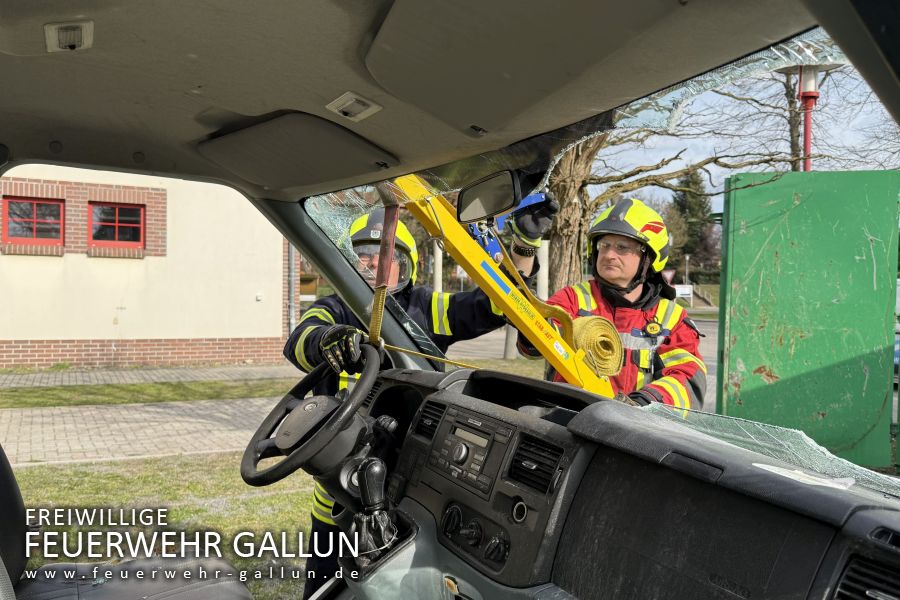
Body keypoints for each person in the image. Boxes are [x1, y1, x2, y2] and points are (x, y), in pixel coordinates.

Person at [285, 197, 558, 599]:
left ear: (408, 265)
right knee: (327, 587)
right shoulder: (334, 309)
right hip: (339, 492)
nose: (372, 266)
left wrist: (522, 249)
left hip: (413, 479)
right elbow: (299, 340)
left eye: (384, 256)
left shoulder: (424, 307)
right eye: (362, 256)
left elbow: (492, 306)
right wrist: (327, 339)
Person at [519, 197, 706, 410]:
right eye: (604, 245)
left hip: (633, 435)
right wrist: (527, 317)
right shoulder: (573, 299)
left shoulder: (672, 320)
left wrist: (642, 404)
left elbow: (687, 378)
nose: (608, 255)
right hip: (565, 424)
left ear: (649, 258)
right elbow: (534, 344)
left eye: (622, 247)